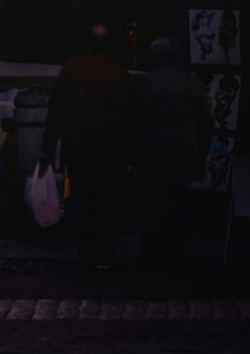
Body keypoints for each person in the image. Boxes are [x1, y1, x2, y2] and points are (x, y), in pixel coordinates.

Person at [40, 24, 135, 270]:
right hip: (110, 147)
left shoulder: (73, 69)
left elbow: (57, 111)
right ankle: (104, 251)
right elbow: (129, 118)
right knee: (106, 198)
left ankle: (86, 250)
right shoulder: (119, 74)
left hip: (78, 143)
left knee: (82, 195)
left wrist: (48, 147)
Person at [137, 36, 213, 268]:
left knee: (152, 203)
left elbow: (131, 120)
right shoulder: (189, 85)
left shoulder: (144, 84)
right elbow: (205, 122)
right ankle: (175, 251)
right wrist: (201, 151)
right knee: (178, 202)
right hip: (182, 151)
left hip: (152, 152)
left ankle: (150, 252)